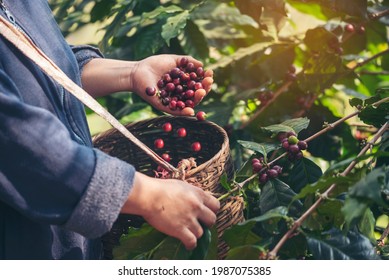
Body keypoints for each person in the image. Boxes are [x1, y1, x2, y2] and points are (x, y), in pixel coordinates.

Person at [0, 0, 219, 259]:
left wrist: (132, 72)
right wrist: (146, 195)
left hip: (77, 241)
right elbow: (18, 144)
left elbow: (35, 60)